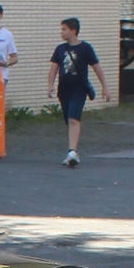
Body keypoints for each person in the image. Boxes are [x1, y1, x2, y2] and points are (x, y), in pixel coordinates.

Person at [47, 17, 109, 166]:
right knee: (69, 119)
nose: (61, 32)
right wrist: (50, 85)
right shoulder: (60, 49)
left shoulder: (85, 48)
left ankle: (72, 152)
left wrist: (104, 87)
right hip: (64, 89)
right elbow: (54, 69)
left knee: (73, 119)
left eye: (64, 29)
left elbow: (96, 67)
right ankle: (72, 151)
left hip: (79, 89)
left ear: (73, 31)